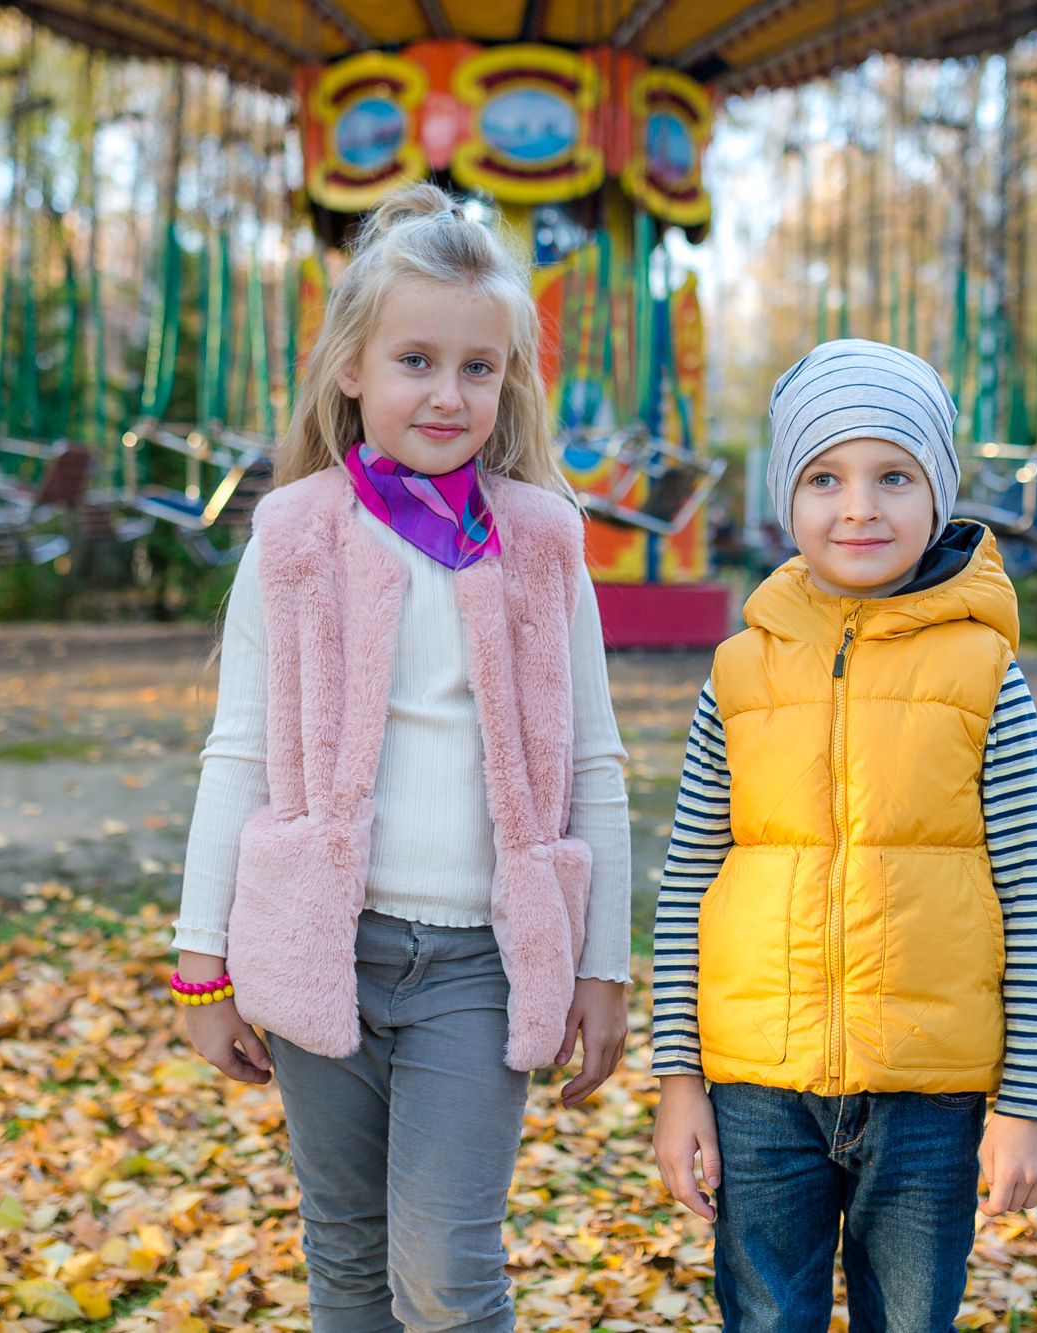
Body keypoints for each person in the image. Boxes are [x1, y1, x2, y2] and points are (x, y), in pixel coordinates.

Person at [170, 182, 633, 1333]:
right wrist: (199, 958)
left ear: (509, 381)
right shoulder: (293, 539)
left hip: (481, 961)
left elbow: (597, 764)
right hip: (325, 943)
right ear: (351, 368)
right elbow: (235, 756)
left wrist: (604, 963)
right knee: (347, 1251)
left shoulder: (539, 543)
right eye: (416, 359)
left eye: (479, 367)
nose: (447, 392)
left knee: (444, 1264)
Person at [650, 340, 1037, 1333]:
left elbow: (1033, 890)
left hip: (930, 1093)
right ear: (783, 500)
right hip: (758, 1087)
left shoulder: (982, 672)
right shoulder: (738, 671)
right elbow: (684, 885)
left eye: (893, 475)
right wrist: (677, 1082)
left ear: (938, 492)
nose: (857, 507)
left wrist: (1029, 1101)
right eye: (823, 477)